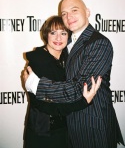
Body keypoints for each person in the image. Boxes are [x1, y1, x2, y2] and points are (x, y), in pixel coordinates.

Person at [24, 0, 125, 148]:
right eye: (64, 13)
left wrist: (35, 84)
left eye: (74, 10)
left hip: (92, 125)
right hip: (66, 128)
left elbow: (80, 88)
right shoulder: (69, 45)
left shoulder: (98, 43)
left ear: (87, 12)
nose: (68, 16)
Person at [23, 16, 101, 148]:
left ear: (69, 36)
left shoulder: (70, 58)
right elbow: (45, 105)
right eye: (53, 33)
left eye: (63, 33)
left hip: (67, 130)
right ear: (46, 34)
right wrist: (82, 102)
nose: (58, 38)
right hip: (43, 133)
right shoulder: (38, 60)